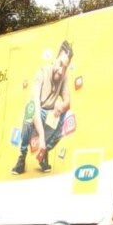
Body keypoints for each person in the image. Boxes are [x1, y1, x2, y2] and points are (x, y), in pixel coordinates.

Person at [12, 40, 74, 174]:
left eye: (65, 67)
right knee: (29, 110)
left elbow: (68, 102)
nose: (61, 70)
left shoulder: (63, 77)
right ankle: (22, 157)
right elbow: (35, 105)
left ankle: (44, 153)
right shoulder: (41, 73)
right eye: (60, 64)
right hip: (37, 113)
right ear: (55, 59)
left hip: (49, 116)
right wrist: (41, 137)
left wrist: (61, 105)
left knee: (68, 115)